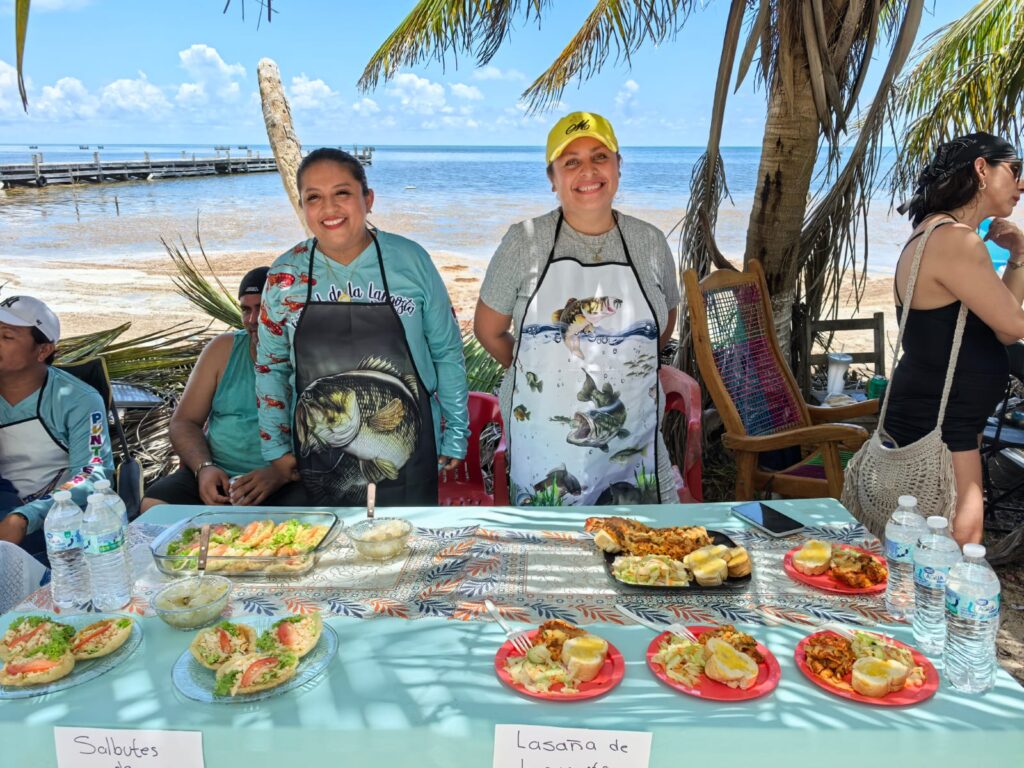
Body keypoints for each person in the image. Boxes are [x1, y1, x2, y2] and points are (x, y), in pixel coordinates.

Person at [475, 111, 680, 506]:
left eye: (599, 156)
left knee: (647, 552)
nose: (588, 170)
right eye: (571, 162)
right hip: (544, 438)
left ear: (618, 166)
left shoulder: (650, 242)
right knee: (551, 548)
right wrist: (540, 371)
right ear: (553, 178)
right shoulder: (524, 242)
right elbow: (488, 329)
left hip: (636, 434)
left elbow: (664, 323)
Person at [255, 148, 469, 506]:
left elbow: (447, 353)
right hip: (320, 451)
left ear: (367, 199)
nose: (329, 208)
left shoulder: (411, 261)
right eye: (314, 198)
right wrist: (275, 446)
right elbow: (270, 367)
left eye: (342, 193)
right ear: (303, 206)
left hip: (408, 446)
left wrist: (456, 433)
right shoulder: (284, 275)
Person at [887, 132, 1024, 545]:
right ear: (982, 169)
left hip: (945, 414)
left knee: (936, 549)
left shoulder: (941, 233)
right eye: (1015, 171)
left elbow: (1002, 323)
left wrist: (1017, 257)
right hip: (941, 421)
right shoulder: (955, 240)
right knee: (957, 550)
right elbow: (1016, 326)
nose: (1021, 185)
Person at [142, 267, 308, 511]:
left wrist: (280, 473)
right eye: (245, 310)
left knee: (295, 526)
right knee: (154, 507)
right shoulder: (222, 350)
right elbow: (184, 422)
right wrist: (204, 468)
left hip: (286, 479)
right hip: (217, 477)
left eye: (262, 310)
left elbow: (332, 441)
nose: (252, 321)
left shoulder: (310, 356)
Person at [0, 295, 114, 548]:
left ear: (43, 350)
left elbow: (92, 473)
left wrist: (27, 516)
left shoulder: (79, 400)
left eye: (7, 337)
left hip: (60, 522)